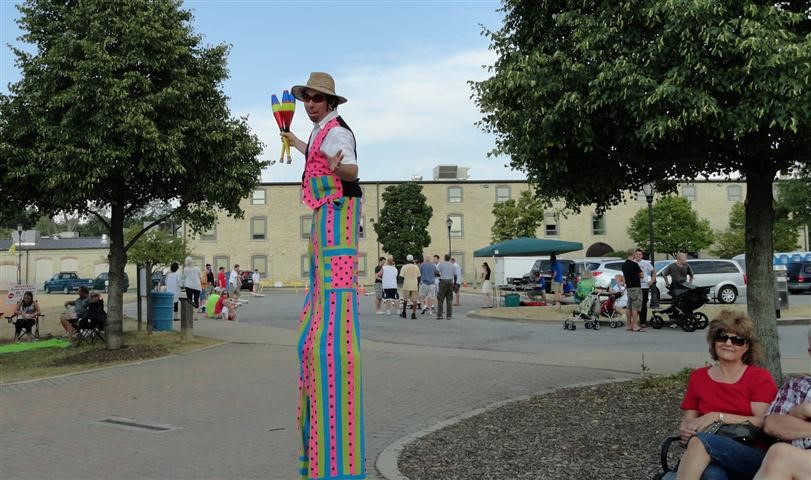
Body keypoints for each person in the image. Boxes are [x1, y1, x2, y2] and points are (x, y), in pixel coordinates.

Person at [284, 72, 366, 480]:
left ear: (330, 102)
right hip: (324, 216)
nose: (311, 104)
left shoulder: (336, 132)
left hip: (338, 216)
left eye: (317, 99)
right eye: (307, 99)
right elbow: (315, 158)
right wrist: (295, 142)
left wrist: (342, 169)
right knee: (321, 287)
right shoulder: (318, 133)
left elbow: (349, 168)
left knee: (334, 289)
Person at [675, 310, 777, 480]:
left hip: (751, 453)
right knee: (712, 475)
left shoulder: (759, 377)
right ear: (714, 341)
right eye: (722, 337)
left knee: (701, 442)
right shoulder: (698, 377)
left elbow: (763, 422)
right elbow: (689, 419)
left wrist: (718, 417)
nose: (728, 343)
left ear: (746, 347)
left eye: (737, 340)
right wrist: (686, 429)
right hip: (710, 454)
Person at [753, 328, 811, 480]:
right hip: (798, 465)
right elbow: (773, 425)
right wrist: (805, 409)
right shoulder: (797, 385)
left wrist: (798, 416)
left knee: (780, 455)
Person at [621, 251, 645, 332]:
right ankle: (635, 325)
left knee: (629, 306)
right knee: (635, 307)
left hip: (629, 287)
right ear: (633, 255)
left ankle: (628, 324)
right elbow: (641, 275)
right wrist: (638, 274)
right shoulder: (634, 264)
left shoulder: (624, 265)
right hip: (636, 287)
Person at [635, 249, 655, 326]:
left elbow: (653, 272)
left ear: (642, 256)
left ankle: (643, 322)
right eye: (637, 254)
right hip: (635, 286)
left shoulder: (646, 263)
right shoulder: (632, 263)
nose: (638, 256)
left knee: (643, 304)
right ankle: (635, 322)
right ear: (635, 255)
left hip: (644, 286)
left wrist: (652, 281)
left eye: (640, 254)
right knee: (636, 304)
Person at [399, 254, 420, 319]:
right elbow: (419, 276)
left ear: (406, 259)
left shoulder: (404, 267)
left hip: (406, 284)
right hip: (414, 285)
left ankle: (404, 312)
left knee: (405, 299)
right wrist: (417, 283)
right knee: (415, 300)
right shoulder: (416, 267)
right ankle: (413, 314)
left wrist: (403, 282)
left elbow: (401, 277)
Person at [436, 254, 455, 320]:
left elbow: (436, 272)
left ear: (444, 258)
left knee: (440, 299)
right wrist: (454, 284)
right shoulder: (452, 265)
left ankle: (439, 315)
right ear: (450, 258)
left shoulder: (441, 264)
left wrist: (440, 275)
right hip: (450, 281)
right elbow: (455, 275)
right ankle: (449, 316)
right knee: (449, 299)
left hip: (443, 281)